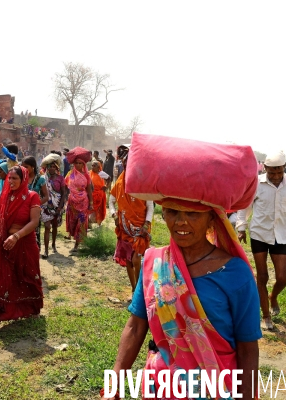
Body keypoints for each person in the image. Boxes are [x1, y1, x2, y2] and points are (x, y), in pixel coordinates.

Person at [102, 134, 261, 400]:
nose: (181, 223)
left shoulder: (236, 274)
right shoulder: (154, 262)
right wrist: (116, 379)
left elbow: (247, 348)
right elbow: (136, 325)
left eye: (193, 214)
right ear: (163, 214)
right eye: (173, 212)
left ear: (212, 219)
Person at [236, 151, 286, 330]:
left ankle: (273, 296)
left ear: (284, 168)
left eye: (279, 172)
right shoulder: (256, 183)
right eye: (271, 172)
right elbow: (244, 206)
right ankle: (266, 315)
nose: (276, 176)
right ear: (266, 169)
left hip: (281, 235)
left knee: (282, 278)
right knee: (262, 276)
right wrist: (241, 227)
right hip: (259, 233)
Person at [0, 166, 43, 332]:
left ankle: (30, 308)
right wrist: (5, 238)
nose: (11, 181)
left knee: (26, 277)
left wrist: (16, 236)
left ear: (23, 179)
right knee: (0, 280)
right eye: (9, 178)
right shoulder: (5, 196)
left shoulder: (32, 196)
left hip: (25, 244)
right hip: (6, 245)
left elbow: (34, 222)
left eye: (15, 178)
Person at [109, 145, 154, 296]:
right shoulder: (120, 183)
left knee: (136, 260)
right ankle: (134, 288)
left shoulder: (143, 183)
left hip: (141, 227)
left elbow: (150, 206)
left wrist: (147, 224)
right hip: (124, 227)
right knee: (128, 261)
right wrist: (114, 215)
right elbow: (111, 201)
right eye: (125, 163)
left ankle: (139, 291)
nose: (127, 165)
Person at [64, 147, 94, 253]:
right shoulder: (70, 174)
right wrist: (64, 199)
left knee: (81, 222)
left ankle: (77, 245)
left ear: (84, 164)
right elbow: (65, 186)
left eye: (80, 163)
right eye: (76, 163)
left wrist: (91, 203)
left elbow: (89, 190)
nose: (78, 165)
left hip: (83, 202)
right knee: (72, 221)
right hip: (72, 202)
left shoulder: (86, 175)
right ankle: (74, 239)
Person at [40, 154, 67, 259]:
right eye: (49, 166)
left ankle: (53, 244)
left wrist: (60, 206)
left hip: (57, 206)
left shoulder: (60, 178)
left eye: (53, 166)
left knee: (54, 226)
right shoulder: (43, 178)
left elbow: (64, 193)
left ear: (57, 168)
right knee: (47, 227)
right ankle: (46, 251)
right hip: (46, 206)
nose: (51, 168)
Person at [21, 156, 48, 244]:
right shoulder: (21, 178)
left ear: (32, 167)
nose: (24, 169)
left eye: (26, 167)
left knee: (34, 233)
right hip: (21, 210)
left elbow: (46, 196)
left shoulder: (40, 179)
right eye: (22, 167)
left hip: (34, 211)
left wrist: (35, 205)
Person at [88, 161, 108, 226]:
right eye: (92, 166)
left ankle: (99, 224)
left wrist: (106, 186)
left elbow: (109, 178)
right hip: (92, 194)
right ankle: (89, 223)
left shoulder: (101, 173)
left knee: (99, 209)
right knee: (90, 208)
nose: (92, 167)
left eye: (94, 166)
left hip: (99, 194)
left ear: (98, 167)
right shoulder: (89, 173)